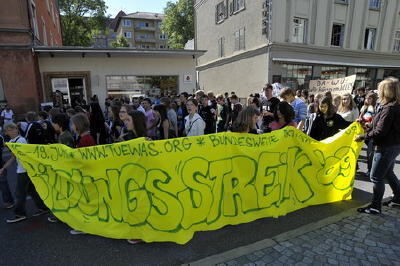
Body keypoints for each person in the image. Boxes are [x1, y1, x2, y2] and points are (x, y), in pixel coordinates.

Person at [356, 78, 400, 215]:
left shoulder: (389, 109)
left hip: (385, 147)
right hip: (393, 146)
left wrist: (363, 136)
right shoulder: (395, 106)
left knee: (376, 177)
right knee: (388, 172)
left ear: (385, 91)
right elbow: (385, 127)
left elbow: (381, 132)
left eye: (380, 89)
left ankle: (375, 206)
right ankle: (398, 198)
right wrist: (370, 125)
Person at [1, 123, 48, 223]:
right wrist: (4, 168)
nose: (13, 131)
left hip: (24, 170)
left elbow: (26, 155)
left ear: (17, 129)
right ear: (6, 132)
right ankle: (43, 207)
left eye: (14, 128)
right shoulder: (12, 141)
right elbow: (14, 157)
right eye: (10, 130)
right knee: (31, 190)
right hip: (22, 169)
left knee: (19, 193)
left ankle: (20, 214)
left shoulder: (21, 140)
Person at [359, 92, 378, 177]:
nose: (367, 100)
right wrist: (360, 120)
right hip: (364, 131)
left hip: (372, 133)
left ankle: (370, 170)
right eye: (367, 98)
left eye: (370, 98)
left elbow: (377, 121)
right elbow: (361, 117)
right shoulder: (364, 107)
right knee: (370, 153)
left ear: (374, 99)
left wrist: (371, 124)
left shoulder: (376, 108)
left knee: (370, 153)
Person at [0, 132, 13, 209]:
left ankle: (8, 202)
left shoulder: (0, 138)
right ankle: (8, 202)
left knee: (3, 184)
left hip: (0, 165)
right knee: (3, 184)